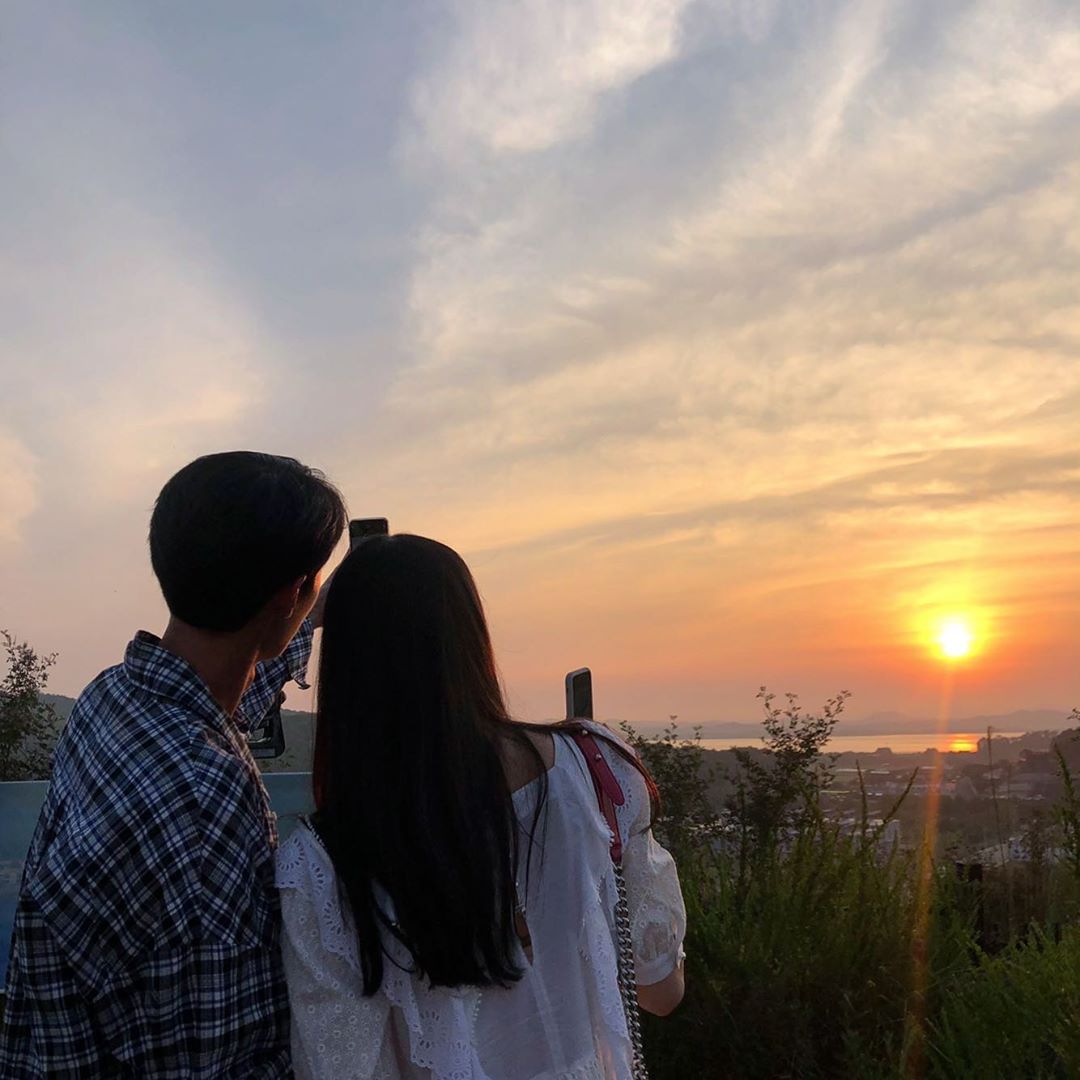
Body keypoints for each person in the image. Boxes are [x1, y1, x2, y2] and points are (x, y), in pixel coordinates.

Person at [276, 534, 686, 1079]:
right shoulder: (597, 770)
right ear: (472, 635)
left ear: (344, 669)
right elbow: (661, 989)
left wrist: (307, 620)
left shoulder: (321, 868)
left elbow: (343, 1066)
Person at [0, 451, 347, 1078]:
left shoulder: (114, 697)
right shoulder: (206, 796)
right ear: (291, 591)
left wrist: (308, 615)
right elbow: (215, 1058)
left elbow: (222, 700)